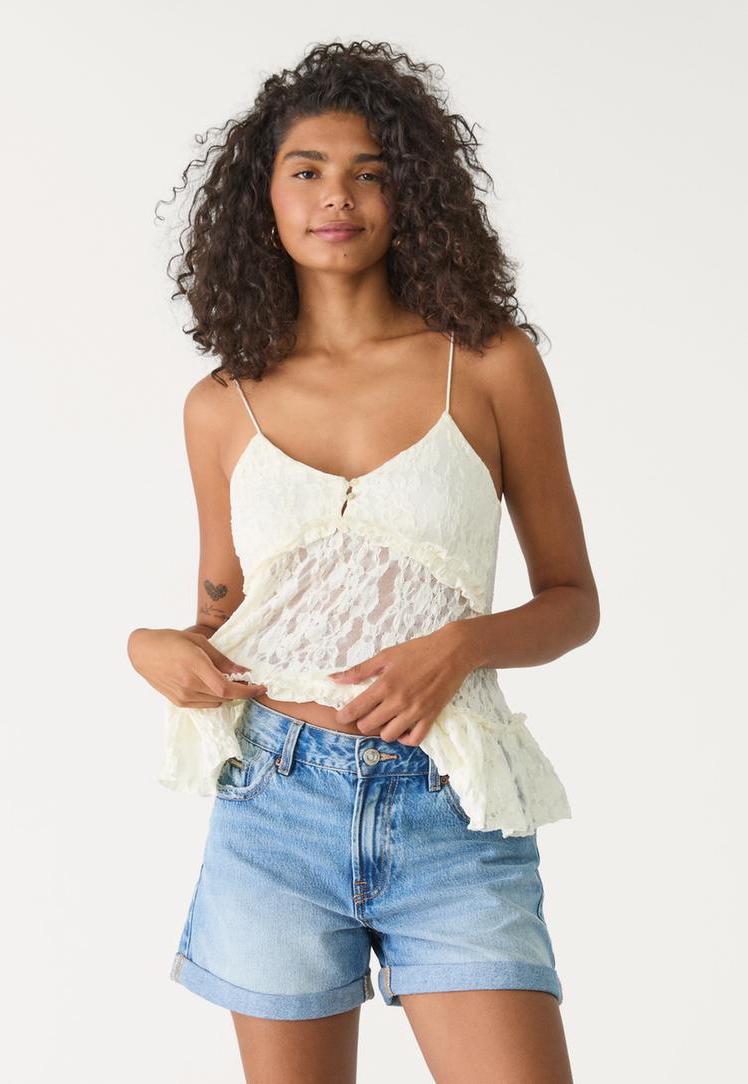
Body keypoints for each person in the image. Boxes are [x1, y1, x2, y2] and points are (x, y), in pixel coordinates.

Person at [128, 41, 597, 1084]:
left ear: (407, 196)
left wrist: (459, 646)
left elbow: (573, 602)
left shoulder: (489, 363)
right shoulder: (221, 405)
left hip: (450, 799)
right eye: (307, 170)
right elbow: (223, 614)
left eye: (368, 172)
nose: (336, 195)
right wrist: (152, 646)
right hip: (274, 801)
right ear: (265, 199)